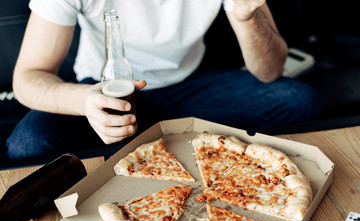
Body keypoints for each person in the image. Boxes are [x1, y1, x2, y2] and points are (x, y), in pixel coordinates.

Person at [6, 0, 325, 159]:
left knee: (300, 101)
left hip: (189, 87)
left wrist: (247, 16)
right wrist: (84, 101)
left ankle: (155, 138)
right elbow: (27, 78)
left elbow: (269, 71)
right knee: (28, 142)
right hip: (104, 91)